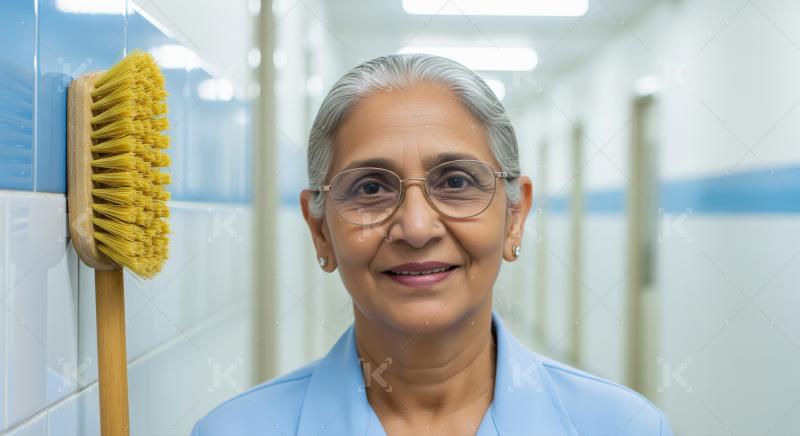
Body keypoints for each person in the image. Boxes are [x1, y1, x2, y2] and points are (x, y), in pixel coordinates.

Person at [192, 53, 673, 435]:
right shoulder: (234, 429)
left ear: (515, 216)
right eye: (371, 188)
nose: (417, 228)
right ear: (321, 229)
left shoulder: (624, 426)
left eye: (457, 181)